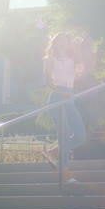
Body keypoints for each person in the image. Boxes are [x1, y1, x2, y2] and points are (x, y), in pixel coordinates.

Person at [42, 33, 87, 183]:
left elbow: (80, 71)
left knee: (81, 135)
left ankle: (52, 152)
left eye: (66, 40)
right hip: (57, 97)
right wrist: (62, 93)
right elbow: (48, 81)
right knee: (64, 135)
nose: (63, 43)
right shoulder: (50, 59)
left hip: (70, 98)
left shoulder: (72, 59)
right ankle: (65, 175)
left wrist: (78, 49)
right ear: (55, 43)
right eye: (60, 40)